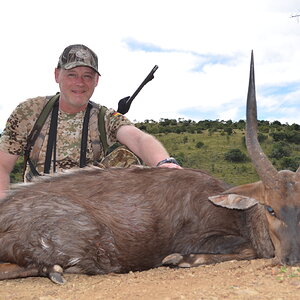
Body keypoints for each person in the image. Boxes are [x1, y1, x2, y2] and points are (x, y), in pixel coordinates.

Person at [0, 44, 181, 199]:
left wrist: (164, 164)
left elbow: (138, 139)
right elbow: (2, 165)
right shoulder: (30, 112)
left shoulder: (104, 117)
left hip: (88, 212)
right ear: (57, 75)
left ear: (96, 80)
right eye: (72, 74)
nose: (80, 82)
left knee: (126, 158)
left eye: (87, 76)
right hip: (36, 208)